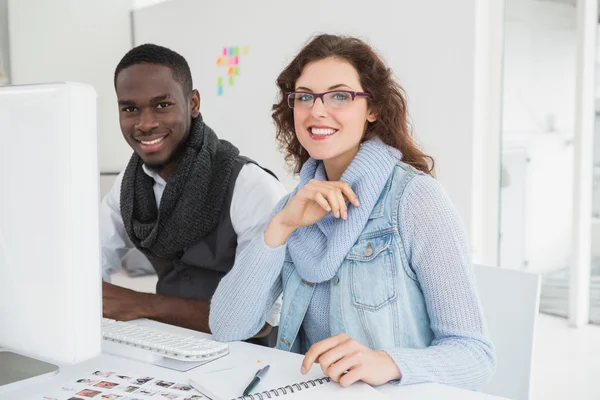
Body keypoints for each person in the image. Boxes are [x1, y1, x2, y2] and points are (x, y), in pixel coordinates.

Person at [209, 34, 496, 389]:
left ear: (372, 108)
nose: (317, 110)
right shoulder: (294, 207)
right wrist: (281, 225)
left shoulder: (415, 199)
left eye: (340, 96)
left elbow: (475, 356)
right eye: (305, 97)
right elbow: (227, 327)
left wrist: (387, 363)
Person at [100, 43, 286, 345]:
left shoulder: (251, 185)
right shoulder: (130, 185)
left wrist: (141, 304)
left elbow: (258, 321)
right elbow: (86, 266)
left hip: (249, 356)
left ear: (193, 103)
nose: (145, 123)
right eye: (130, 109)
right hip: (168, 344)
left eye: (162, 105)